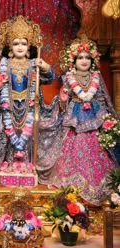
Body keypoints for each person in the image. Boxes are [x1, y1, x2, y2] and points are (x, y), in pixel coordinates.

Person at [0, 16, 59, 186]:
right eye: (16, 43)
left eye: (23, 43)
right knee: (10, 136)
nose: (20, 46)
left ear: (29, 48)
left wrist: (45, 67)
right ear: (10, 48)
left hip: (30, 106)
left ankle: (26, 165)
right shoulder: (5, 65)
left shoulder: (33, 64)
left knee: (27, 137)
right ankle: (11, 165)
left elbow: (49, 79)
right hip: (9, 107)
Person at [40, 34, 119, 205]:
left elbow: (102, 100)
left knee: (98, 150)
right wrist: (62, 99)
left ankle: (97, 187)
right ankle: (74, 184)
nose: (84, 60)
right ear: (72, 61)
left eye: (87, 57)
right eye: (80, 57)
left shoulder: (97, 77)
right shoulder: (68, 77)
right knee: (74, 145)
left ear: (93, 61)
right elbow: (63, 102)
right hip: (74, 118)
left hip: (94, 117)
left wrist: (107, 120)